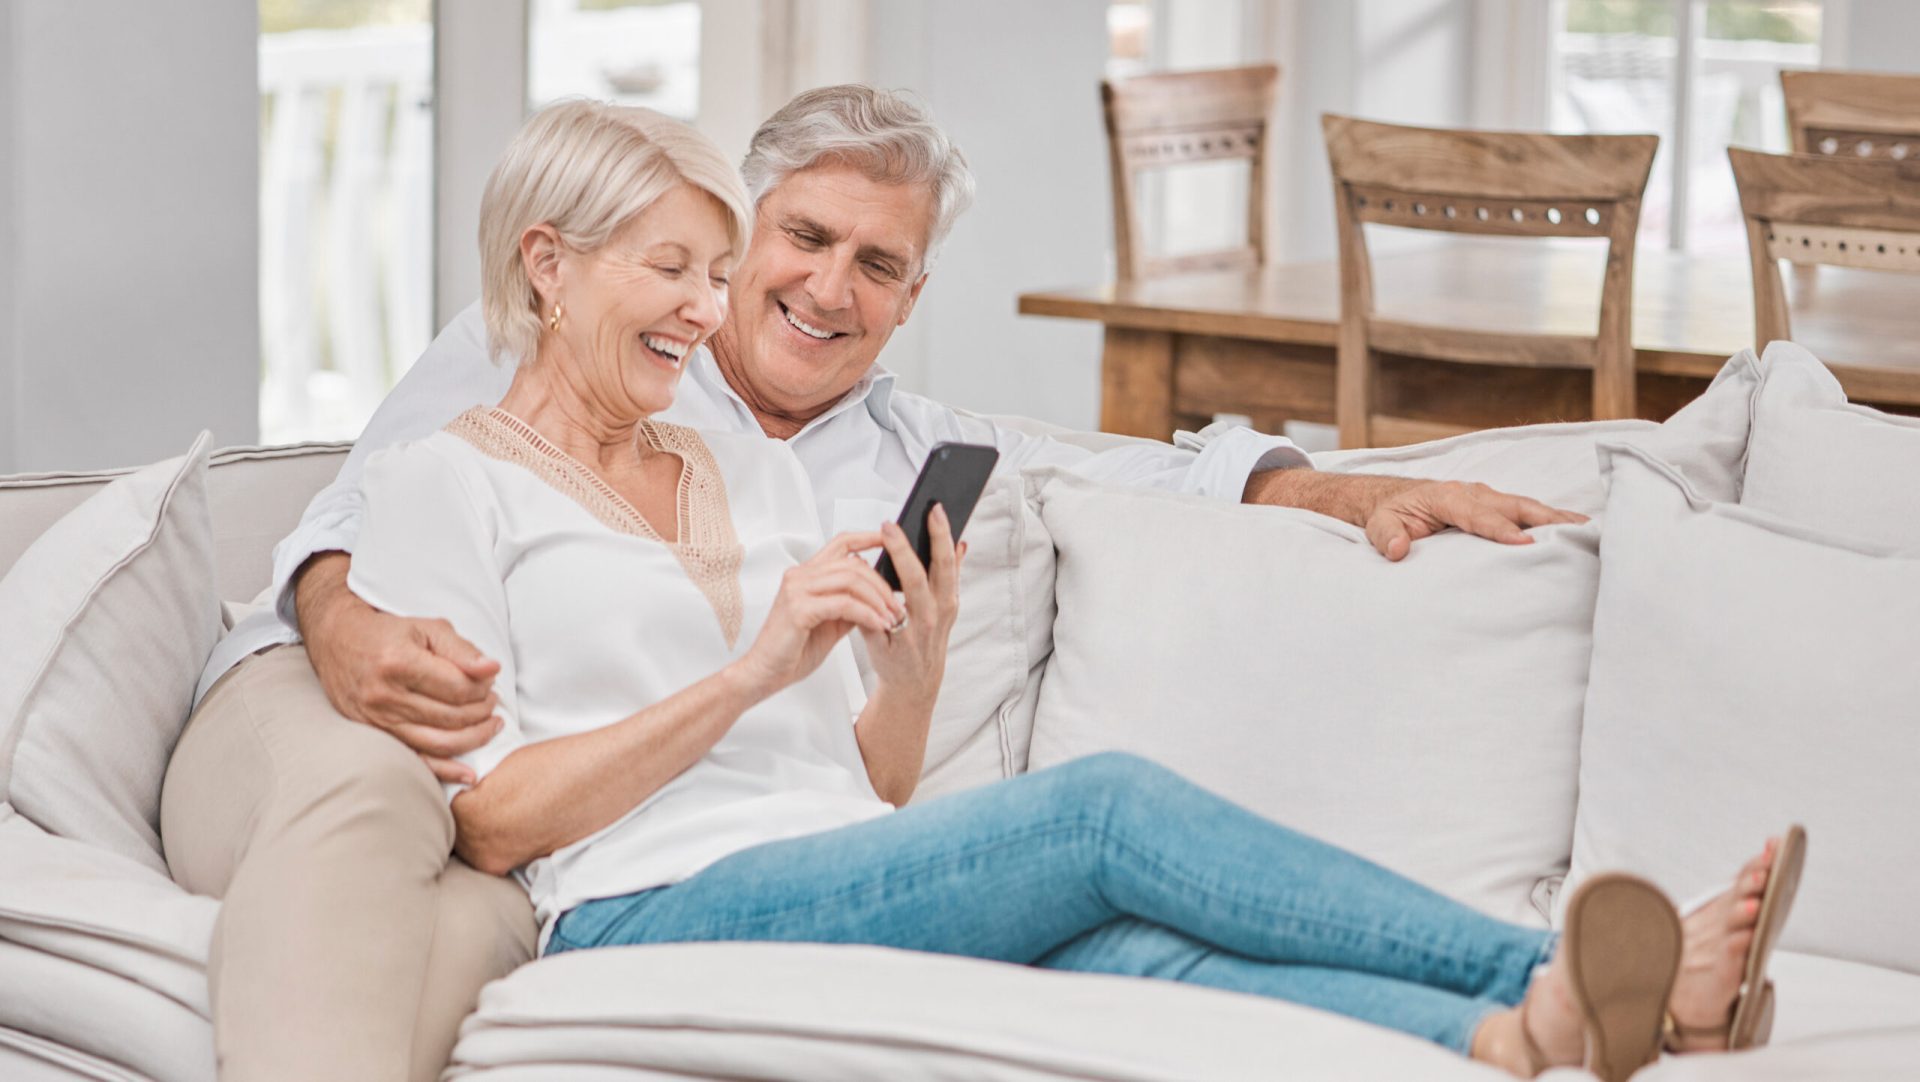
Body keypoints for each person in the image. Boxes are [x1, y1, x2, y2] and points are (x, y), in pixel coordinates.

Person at [153, 87, 1722, 1082]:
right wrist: (349, 617)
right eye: (774, 246)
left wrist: (907, 672)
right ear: (579, 264)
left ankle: (1521, 1035)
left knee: (1131, 952)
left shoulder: (815, 460)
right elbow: (472, 777)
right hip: (642, 902)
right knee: (1102, 814)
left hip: (826, 852)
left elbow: (882, 761)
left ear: (914, 295)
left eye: (879, 265)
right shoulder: (498, 426)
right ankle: (1548, 956)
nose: (805, 293)